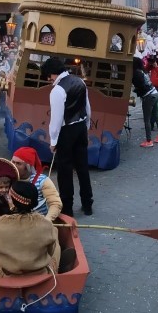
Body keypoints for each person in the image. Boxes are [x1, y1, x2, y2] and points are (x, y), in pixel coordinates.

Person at [0, 181, 71, 278]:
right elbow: (50, 251)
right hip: (39, 271)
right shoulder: (46, 224)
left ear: (12, 201)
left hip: (8, 274)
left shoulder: (0, 226)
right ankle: (56, 269)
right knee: (55, 239)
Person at [41, 57, 93, 217]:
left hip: (66, 131)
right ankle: (87, 204)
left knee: (65, 171)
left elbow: (56, 119)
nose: (49, 79)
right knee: (83, 167)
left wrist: (53, 140)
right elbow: (88, 107)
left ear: (52, 73)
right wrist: (87, 126)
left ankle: (67, 208)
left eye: (48, 76)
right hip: (81, 127)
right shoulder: (80, 82)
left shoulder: (57, 90)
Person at [11, 146, 63, 221]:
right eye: (13, 162)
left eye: (18, 163)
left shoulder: (42, 180)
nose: (14, 166)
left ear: (28, 166)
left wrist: (47, 220)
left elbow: (55, 203)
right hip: (14, 222)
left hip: (38, 221)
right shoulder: (8, 179)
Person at [132, 57, 158, 148]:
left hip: (148, 96)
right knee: (156, 115)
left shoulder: (136, 73)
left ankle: (149, 140)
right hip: (154, 92)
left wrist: (135, 90)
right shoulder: (143, 71)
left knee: (147, 119)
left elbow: (141, 87)